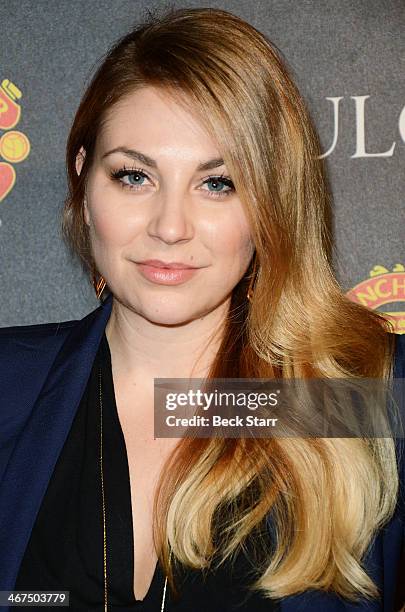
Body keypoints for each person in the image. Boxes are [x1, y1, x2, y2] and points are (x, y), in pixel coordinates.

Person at [0, 6, 404, 612]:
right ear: (84, 186)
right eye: (134, 176)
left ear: (272, 202)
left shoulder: (359, 391)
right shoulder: (10, 384)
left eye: (218, 183)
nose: (170, 227)